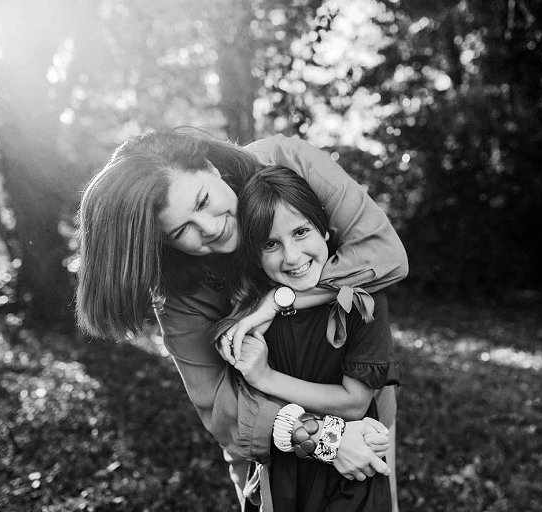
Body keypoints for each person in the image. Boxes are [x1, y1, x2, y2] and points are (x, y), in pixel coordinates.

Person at [75, 127, 408, 511]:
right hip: (272, 442)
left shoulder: (287, 161)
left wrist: (277, 301)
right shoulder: (178, 294)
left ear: (211, 167)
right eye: (183, 230)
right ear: (162, 243)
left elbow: (384, 257)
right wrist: (325, 439)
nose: (212, 229)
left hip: (362, 407)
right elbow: (219, 405)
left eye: (203, 201)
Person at [214, 165, 400, 511]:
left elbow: (354, 402)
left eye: (301, 232)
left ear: (326, 232)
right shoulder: (250, 316)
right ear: (255, 255)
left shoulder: (363, 302)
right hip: (282, 475)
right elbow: (242, 407)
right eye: (271, 243)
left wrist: (266, 376)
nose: (292, 256)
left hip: (352, 477)